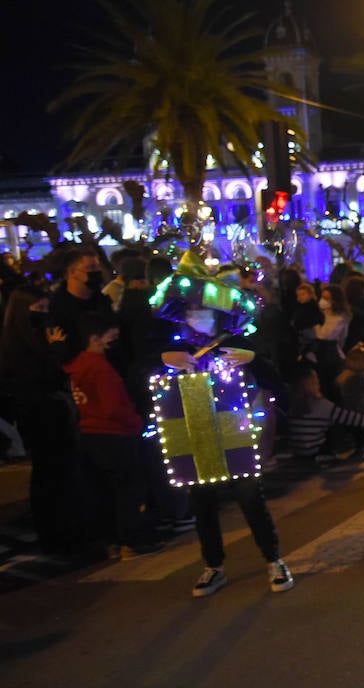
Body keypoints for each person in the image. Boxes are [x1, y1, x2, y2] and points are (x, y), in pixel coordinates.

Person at [154, 254, 295, 598]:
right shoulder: (177, 349)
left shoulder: (239, 344)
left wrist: (255, 361)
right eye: (188, 311)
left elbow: (277, 383)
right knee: (201, 501)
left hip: (237, 434)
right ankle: (213, 565)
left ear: (217, 313)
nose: (194, 316)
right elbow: (150, 386)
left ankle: (274, 559)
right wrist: (160, 362)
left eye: (200, 309)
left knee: (249, 497)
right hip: (195, 433)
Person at [63, 312, 160, 560]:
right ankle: (133, 541)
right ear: (95, 338)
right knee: (129, 491)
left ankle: (113, 541)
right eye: (111, 336)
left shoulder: (78, 366)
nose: (114, 341)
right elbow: (114, 407)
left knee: (105, 493)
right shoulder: (101, 369)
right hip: (116, 435)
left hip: (90, 434)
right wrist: (137, 423)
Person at [0, 286, 86, 558]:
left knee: (59, 474)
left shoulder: (34, 339)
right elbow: (40, 377)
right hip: (40, 416)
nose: (44, 316)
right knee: (50, 475)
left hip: (50, 414)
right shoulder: (17, 346)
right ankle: (56, 536)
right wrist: (56, 352)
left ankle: (66, 532)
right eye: (38, 310)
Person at [288, 364, 364, 460]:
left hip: (298, 451)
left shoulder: (294, 404)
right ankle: (358, 445)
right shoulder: (320, 404)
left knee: (332, 418)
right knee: (340, 419)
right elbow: (351, 418)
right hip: (314, 451)